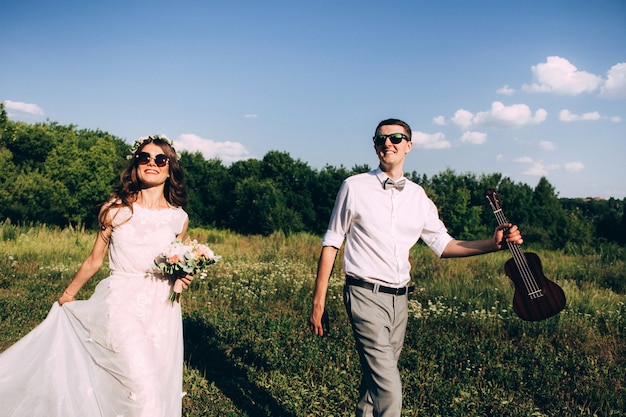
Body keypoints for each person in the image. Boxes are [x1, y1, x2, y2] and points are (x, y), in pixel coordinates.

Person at [308, 118, 524, 417]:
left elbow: (444, 245)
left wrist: (493, 243)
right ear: (375, 145)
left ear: (408, 145)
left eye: (396, 137)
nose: (388, 143)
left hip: (400, 300)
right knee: (390, 390)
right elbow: (332, 242)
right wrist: (318, 301)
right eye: (380, 139)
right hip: (364, 295)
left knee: (376, 386)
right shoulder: (354, 187)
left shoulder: (418, 196)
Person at [0, 135, 194, 417]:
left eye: (160, 159)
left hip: (161, 311)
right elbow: (94, 260)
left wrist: (183, 280)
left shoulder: (179, 218)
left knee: (142, 383)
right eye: (144, 158)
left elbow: (176, 266)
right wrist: (68, 295)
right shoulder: (115, 210)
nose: (151, 163)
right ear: (135, 165)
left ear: (170, 168)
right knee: (144, 390)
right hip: (121, 302)